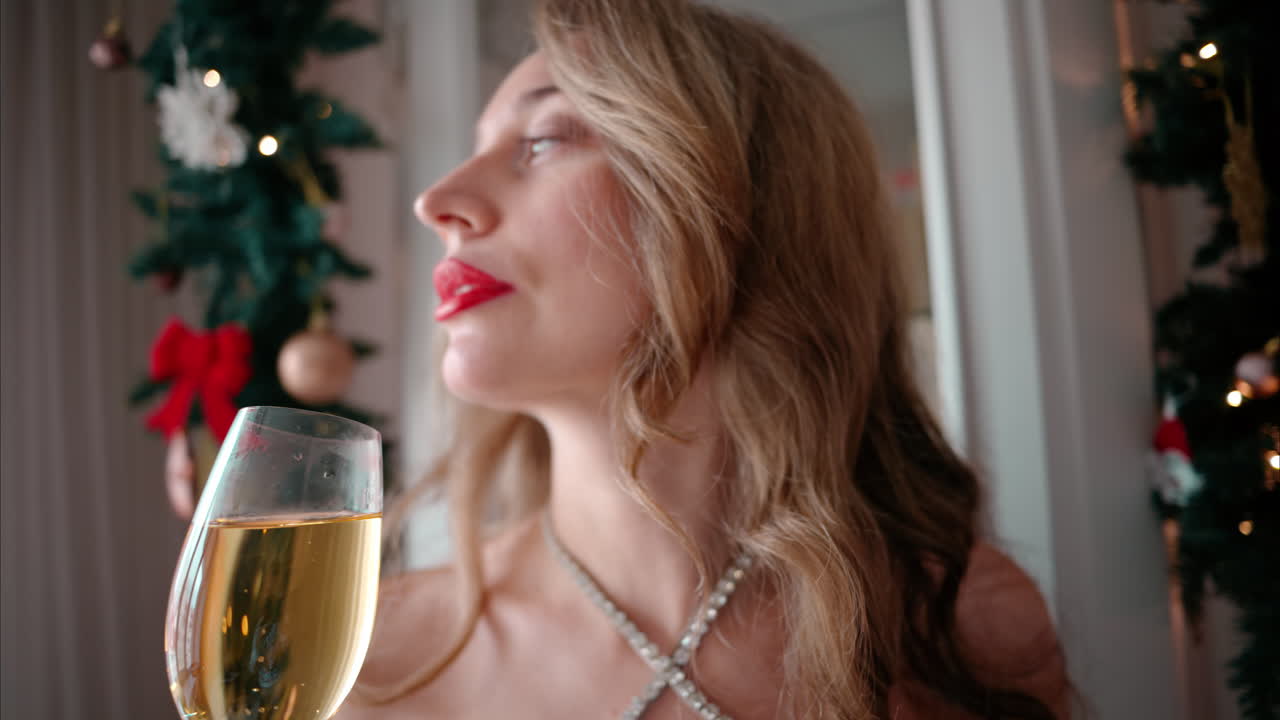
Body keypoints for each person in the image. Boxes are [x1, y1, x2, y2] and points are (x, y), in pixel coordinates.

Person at [338, 0, 1069, 718]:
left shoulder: (963, 631)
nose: (438, 202)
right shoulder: (367, 662)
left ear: (743, 208)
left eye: (544, 139)